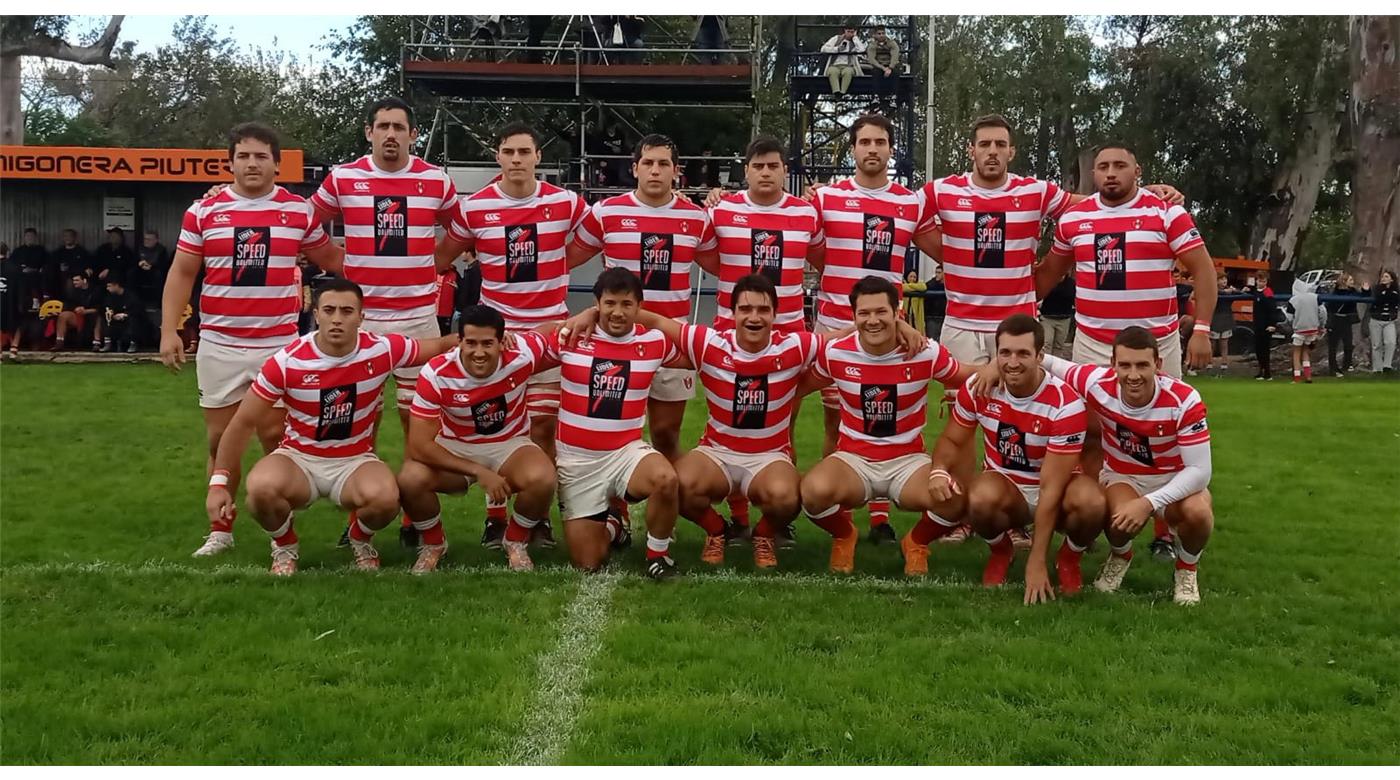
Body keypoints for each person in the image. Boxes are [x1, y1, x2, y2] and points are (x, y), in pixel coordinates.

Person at [163, 122, 345, 557]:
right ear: (230, 163)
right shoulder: (204, 211)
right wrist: (170, 328)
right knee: (220, 440)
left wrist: (395, 273)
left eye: (261, 156)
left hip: (278, 344)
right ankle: (220, 531)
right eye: (243, 156)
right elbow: (183, 272)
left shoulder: (298, 211)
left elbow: (335, 260)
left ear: (277, 164)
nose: (251, 163)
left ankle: (279, 530)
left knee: (275, 438)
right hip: (220, 342)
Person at [205, 279, 458, 575]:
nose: (337, 318)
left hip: (353, 461)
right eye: (329, 310)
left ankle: (360, 538)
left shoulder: (382, 350)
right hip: (299, 459)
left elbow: (440, 345)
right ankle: (285, 547)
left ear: (362, 317)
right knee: (260, 490)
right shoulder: (287, 361)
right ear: (316, 314)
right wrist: (219, 483)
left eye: (347, 311)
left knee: (386, 499)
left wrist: (492, 339)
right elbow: (242, 423)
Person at [924, 116, 1183, 369]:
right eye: (984, 144)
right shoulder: (942, 190)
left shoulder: (1035, 191)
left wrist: (1141, 192)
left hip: (1018, 323)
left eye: (1000, 145)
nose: (993, 152)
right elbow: (908, 219)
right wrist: (952, 257)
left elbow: (1094, 205)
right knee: (963, 405)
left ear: (1011, 152)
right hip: (961, 323)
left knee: (1019, 407)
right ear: (971, 150)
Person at [436, 121, 589, 548]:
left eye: (525, 152)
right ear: (498, 157)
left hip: (550, 333)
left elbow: (594, 237)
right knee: (494, 427)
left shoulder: (566, 203)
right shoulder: (475, 207)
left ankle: (535, 518)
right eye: (509, 152)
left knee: (542, 428)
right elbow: (444, 256)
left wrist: (559, 262)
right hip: (495, 338)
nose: (517, 159)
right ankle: (495, 517)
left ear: (538, 157)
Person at [806, 114, 942, 542]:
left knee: (884, 414)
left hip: (890, 326)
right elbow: (798, 237)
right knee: (837, 421)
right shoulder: (825, 198)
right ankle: (842, 514)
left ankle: (881, 517)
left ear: (891, 149)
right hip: (837, 323)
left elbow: (947, 244)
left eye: (880, 141)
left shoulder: (910, 202)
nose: (872, 149)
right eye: (864, 141)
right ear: (853, 149)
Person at [799, 276, 977, 574]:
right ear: (853, 316)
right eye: (864, 313)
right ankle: (845, 535)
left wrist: (1004, 366)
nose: (873, 320)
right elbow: (798, 387)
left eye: (881, 312)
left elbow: (966, 375)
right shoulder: (836, 353)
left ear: (898, 313)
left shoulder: (924, 352)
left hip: (907, 461)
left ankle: (915, 541)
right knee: (812, 492)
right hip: (853, 460)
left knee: (956, 499)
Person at [919, 314, 1101, 602]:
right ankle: (1001, 551)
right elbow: (953, 439)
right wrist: (939, 469)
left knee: (1091, 502)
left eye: (1023, 354)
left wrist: (1037, 560)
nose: (1012, 362)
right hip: (1007, 486)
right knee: (979, 497)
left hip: (1055, 487)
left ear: (1040, 356)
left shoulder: (1065, 404)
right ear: (996, 355)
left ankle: (1068, 558)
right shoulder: (979, 388)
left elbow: (1050, 488)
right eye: (1005, 353)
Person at [309, 97, 462, 435]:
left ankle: (415, 487)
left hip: (419, 318)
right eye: (383, 127)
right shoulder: (343, 178)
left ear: (413, 134)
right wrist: (335, 261)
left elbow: (461, 228)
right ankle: (364, 480)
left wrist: (438, 261)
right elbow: (303, 221)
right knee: (360, 416)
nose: (390, 134)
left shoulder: (436, 179)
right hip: (362, 319)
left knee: (419, 419)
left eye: (399, 127)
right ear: (369, 132)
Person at [698, 137, 823, 543]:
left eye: (773, 166)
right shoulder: (724, 210)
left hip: (789, 333)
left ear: (785, 170)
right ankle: (737, 517)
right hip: (730, 334)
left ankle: (776, 515)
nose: (766, 172)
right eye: (758, 166)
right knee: (730, 419)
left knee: (781, 426)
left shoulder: (806, 212)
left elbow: (821, 258)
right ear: (746, 170)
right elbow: (707, 256)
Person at [567, 134, 717, 468]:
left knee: (665, 434)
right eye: (648, 163)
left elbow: (725, 266)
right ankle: (615, 514)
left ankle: (666, 507)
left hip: (672, 342)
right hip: (617, 339)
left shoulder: (696, 218)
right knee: (614, 432)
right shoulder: (605, 212)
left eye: (664, 164)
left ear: (676, 171)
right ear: (635, 168)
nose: (655, 170)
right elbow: (563, 260)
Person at [1040, 326, 1215, 606]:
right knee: (1116, 517)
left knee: (1199, 513)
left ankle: (1186, 569)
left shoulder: (1184, 399)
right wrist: (993, 368)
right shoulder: (1097, 382)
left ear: (1157, 365)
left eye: (1142, 365)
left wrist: (1147, 503)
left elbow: (1200, 472)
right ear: (1113, 365)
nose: (1133, 375)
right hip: (1125, 476)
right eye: (1125, 365)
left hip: (1175, 478)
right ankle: (1121, 555)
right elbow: (1047, 361)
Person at [398, 305, 560, 573]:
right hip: (457, 446)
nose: (479, 352)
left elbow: (554, 330)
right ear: (459, 341)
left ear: (502, 341)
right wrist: (479, 471)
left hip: (509, 444)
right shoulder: (436, 373)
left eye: (488, 343)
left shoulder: (521, 355)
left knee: (543, 477)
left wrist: (586, 315)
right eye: (470, 343)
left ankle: (515, 541)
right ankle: (433, 544)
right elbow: (419, 445)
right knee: (410, 479)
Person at [548, 268, 685, 579]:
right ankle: (613, 526)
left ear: (639, 306)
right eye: (609, 303)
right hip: (577, 462)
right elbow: (528, 345)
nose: (618, 312)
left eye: (627, 304)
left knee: (666, 478)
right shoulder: (570, 336)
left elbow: (704, 353)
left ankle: (658, 556)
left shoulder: (655, 343)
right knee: (589, 562)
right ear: (597, 304)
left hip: (626, 454)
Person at [1036, 142, 1214, 379]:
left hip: (1156, 343)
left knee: (1162, 415)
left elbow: (1204, 270)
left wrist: (1202, 329)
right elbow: (1049, 273)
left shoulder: (1167, 213)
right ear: (1094, 174)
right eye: (1103, 167)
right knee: (1091, 416)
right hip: (1093, 345)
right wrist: (1008, 305)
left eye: (1120, 166)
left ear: (1137, 171)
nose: (1110, 173)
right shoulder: (1073, 218)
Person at [1287, 277, 1327, 383]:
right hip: (1312, 329)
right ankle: (1308, 375)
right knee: (1306, 352)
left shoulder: (1293, 300)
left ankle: (1297, 377)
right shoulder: (1316, 298)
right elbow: (1323, 312)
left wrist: (1293, 324)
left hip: (1299, 330)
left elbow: (1289, 317)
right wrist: (1321, 326)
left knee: (1296, 352)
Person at [1247, 271, 1280, 380]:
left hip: (1266, 325)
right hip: (1257, 324)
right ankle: (1261, 370)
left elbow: (1273, 310)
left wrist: (1272, 324)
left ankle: (1267, 372)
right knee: (1258, 349)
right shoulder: (1256, 291)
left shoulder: (1268, 293)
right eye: (1260, 280)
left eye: (1264, 281)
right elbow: (1250, 290)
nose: (1262, 283)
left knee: (1265, 350)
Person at [1327, 273, 1361, 376]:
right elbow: (1331, 307)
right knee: (1333, 346)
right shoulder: (1335, 293)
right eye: (1350, 280)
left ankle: (1346, 365)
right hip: (1335, 320)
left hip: (1347, 320)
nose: (1352, 282)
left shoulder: (1353, 291)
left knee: (1348, 344)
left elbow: (1362, 296)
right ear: (1344, 282)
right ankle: (1333, 368)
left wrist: (1366, 290)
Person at [101, 276, 146, 353]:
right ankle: (108, 343)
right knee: (106, 317)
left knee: (134, 320)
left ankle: (133, 343)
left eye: (109, 286)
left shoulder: (131, 296)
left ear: (116, 285)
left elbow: (138, 310)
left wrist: (125, 315)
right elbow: (107, 307)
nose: (107, 288)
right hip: (116, 320)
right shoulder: (110, 297)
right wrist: (113, 315)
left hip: (130, 318)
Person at [54, 272, 99, 350]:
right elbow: (68, 305)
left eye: (77, 280)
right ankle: (59, 343)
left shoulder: (95, 290)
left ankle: (96, 343)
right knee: (63, 315)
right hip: (78, 315)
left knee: (98, 317)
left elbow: (100, 307)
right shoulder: (73, 291)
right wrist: (76, 308)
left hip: (92, 315)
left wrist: (86, 311)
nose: (74, 282)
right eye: (73, 280)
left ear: (84, 280)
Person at [1366, 268, 1398, 373]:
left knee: (1390, 342)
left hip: (1389, 320)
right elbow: (1378, 298)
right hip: (1376, 319)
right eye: (1383, 276)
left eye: (1386, 277)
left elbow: (1394, 299)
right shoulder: (1377, 288)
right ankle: (1377, 368)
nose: (1383, 279)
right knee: (1376, 345)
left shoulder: (1396, 289)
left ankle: (1387, 365)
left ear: (1392, 279)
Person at [821, 26, 864, 96]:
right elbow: (823, 49)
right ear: (845, 31)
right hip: (834, 65)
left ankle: (842, 93)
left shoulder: (855, 42)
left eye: (852, 32)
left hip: (848, 66)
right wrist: (837, 49)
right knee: (832, 71)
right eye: (848, 32)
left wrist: (855, 38)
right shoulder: (837, 38)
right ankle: (836, 92)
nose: (850, 34)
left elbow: (862, 50)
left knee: (848, 72)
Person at [864, 25, 901, 107]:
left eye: (883, 33)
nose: (881, 35)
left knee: (895, 74)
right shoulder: (872, 45)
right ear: (875, 35)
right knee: (875, 73)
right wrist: (883, 68)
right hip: (879, 66)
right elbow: (872, 59)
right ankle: (876, 96)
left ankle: (893, 98)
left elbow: (895, 56)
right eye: (879, 33)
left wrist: (890, 68)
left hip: (890, 66)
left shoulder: (892, 43)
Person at [1209, 272, 1239, 375]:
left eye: (1225, 279)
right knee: (1212, 343)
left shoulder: (1230, 290)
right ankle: (1209, 362)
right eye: (1221, 279)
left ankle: (1224, 363)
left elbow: (1239, 293)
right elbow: (1218, 293)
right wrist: (1227, 292)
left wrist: (1236, 290)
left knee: (1224, 342)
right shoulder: (1213, 290)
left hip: (1227, 318)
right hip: (1215, 318)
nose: (1224, 281)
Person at [133, 230, 170, 309]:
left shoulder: (161, 250)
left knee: (159, 276)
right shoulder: (139, 248)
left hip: (154, 272)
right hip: (141, 271)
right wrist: (139, 264)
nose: (146, 241)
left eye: (149, 239)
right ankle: (134, 302)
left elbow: (164, 265)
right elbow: (133, 261)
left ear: (156, 240)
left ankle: (159, 305)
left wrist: (151, 267)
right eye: (145, 239)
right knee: (131, 274)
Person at [1040, 275, 1075, 358]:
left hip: (1064, 318)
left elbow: (1074, 298)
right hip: (1047, 317)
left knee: (1059, 345)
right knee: (1047, 343)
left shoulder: (1071, 283)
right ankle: (1045, 365)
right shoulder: (1048, 280)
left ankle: (1055, 366)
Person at [12, 228, 47, 309]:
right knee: (22, 279)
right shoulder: (18, 251)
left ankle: (36, 301)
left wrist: (40, 269)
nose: (29, 238)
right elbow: (11, 264)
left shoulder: (41, 250)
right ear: (24, 237)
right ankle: (20, 305)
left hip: (37, 274)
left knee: (33, 276)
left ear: (35, 237)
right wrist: (21, 269)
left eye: (31, 236)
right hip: (21, 274)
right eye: (28, 236)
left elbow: (47, 263)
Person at [924, 265, 946, 341]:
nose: (937, 274)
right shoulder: (930, 284)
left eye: (939, 272)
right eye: (936, 272)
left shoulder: (947, 286)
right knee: (932, 340)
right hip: (932, 316)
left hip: (944, 317)